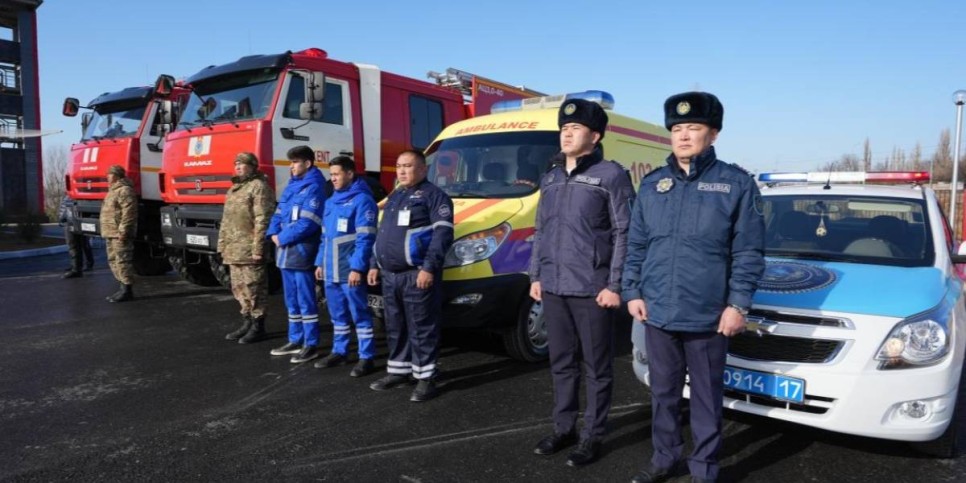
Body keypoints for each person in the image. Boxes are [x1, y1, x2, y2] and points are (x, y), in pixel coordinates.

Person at [621, 92, 765, 483]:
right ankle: (664, 458)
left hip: (707, 315)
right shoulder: (653, 185)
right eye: (677, 129)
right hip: (659, 313)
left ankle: (704, 468)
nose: (683, 136)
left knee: (705, 398)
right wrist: (631, 291)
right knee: (663, 395)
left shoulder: (735, 184)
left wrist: (737, 305)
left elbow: (749, 251)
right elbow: (636, 244)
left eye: (694, 128)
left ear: (713, 134)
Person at [528, 99, 635, 467]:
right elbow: (541, 229)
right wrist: (536, 275)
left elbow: (625, 231)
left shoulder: (610, 175)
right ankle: (564, 428)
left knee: (596, 367)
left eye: (574, 128)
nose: (567, 132)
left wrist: (614, 284)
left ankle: (592, 435)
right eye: (563, 128)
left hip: (592, 288)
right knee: (561, 363)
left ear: (595, 135)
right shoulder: (552, 176)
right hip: (554, 286)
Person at [366, 149, 454, 402]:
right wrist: (374, 264)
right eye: (399, 166)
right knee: (395, 325)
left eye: (408, 166)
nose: (402, 171)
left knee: (422, 327)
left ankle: (426, 378)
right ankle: (398, 371)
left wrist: (428, 268)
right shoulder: (395, 196)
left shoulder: (435, 197)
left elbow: (442, 236)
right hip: (390, 275)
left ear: (423, 169)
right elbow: (382, 234)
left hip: (416, 274)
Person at [313, 156, 378, 377]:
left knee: (359, 313)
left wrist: (357, 268)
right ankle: (339, 351)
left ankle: (366, 356)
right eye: (331, 175)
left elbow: (366, 239)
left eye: (337, 175)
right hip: (331, 269)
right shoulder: (331, 201)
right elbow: (324, 237)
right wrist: (320, 262)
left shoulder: (362, 201)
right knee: (337, 314)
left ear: (350, 174)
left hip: (349, 270)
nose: (333, 179)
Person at [267, 145, 327, 364]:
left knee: (305, 300)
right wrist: (273, 232)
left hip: (300, 252)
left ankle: (310, 344)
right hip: (285, 253)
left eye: (295, 162)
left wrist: (282, 238)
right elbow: (279, 212)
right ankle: (295, 339)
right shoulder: (293, 186)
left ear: (308, 164)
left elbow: (308, 222)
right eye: (291, 162)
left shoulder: (315, 187)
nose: (291, 166)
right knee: (291, 300)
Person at [218, 152, 276, 344]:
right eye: (236, 164)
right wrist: (222, 245)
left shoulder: (259, 187)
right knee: (239, 288)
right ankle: (246, 321)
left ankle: (258, 325)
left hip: (250, 249)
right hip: (234, 249)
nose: (238, 167)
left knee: (254, 287)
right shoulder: (234, 189)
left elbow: (263, 219)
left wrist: (259, 247)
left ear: (252, 166)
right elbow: (226, 221)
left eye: (242, 164)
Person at [100, 164, 137, 302]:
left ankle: (127, 290)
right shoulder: (112, 191)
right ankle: (121, 287)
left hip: (120, 234)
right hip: (110, 232)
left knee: (123, 261)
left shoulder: (125, 190)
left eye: (109, 174)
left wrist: (123, 231)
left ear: (116, 175)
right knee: (113, 260)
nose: (107, 177)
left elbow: (129, 213)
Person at [59, 195, 94, 279]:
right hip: (68, 222)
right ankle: (75, 267)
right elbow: (63, 209)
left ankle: (83, 266)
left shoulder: (79, 194)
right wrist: (61, 220)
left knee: (83, 244)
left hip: (77, 222)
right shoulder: (67, 196)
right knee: (73, 246)